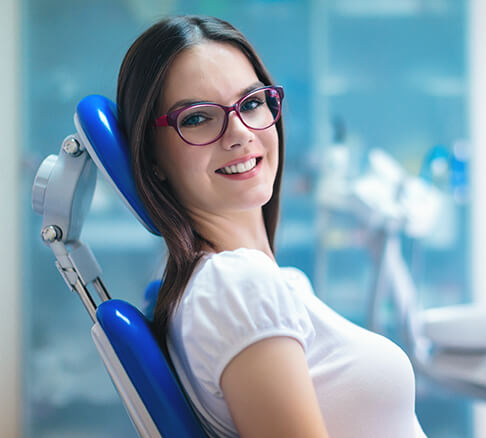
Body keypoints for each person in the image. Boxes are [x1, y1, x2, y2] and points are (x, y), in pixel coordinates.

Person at [117, 15, 427, 438]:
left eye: (250, 103)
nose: (240, 133)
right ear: (151, 158)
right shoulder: (238, 287)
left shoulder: (252, 282)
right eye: (196, 118)